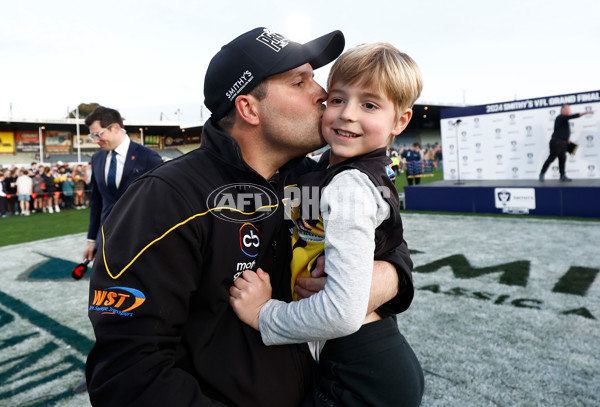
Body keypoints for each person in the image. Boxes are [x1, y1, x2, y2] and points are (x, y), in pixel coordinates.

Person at [86, 27, 413, 407]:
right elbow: (128, 374)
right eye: (299, 81)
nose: (322, 94)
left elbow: (392, 244)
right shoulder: (166, 197)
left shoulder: (314, 179)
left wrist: (384, 278)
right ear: (249, 108)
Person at [230, 42, 423, 407]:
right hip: (356, 361)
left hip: (361, 371)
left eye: (369, 104)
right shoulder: (329, 169)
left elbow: (342, 312)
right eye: (336, 99)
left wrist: (264, 314)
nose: (346, 114)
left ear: (400, 121)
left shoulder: (350, 185)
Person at [83, 106, 163, 261]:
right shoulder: (97, 159)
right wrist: (91, 239)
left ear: (115, 128)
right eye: (92, 136)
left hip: (140, 243)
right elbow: (97, 202)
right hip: (105, 241)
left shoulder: (148, 157)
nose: (96, 141)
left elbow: (161, 203)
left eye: (98, 135)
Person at [539, 104, 594, 181]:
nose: (570, 110)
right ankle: (542, 173)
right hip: (556, 142)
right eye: (568, 109)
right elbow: (574, 116)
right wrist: (586, 112)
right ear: (563, 110)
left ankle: (562, 175)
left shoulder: (564, 120)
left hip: (563, 143)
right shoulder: (560, 117)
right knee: (551, 158)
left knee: (562, 159)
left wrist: (567, 139)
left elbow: (561, 130)